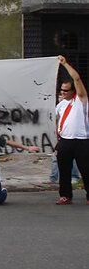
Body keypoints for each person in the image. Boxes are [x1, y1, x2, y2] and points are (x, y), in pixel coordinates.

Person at [54, 56, 89, 205]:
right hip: (65, 141)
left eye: (66, 90)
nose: (63, 92)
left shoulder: (81, 100)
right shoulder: (61, 105)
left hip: (82, 141)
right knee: (64, 170)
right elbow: (56, 121)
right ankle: (65, 195)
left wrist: (65, 64)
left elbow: (77, 78)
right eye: (61, 90)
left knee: (86, 169)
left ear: (74, 91)